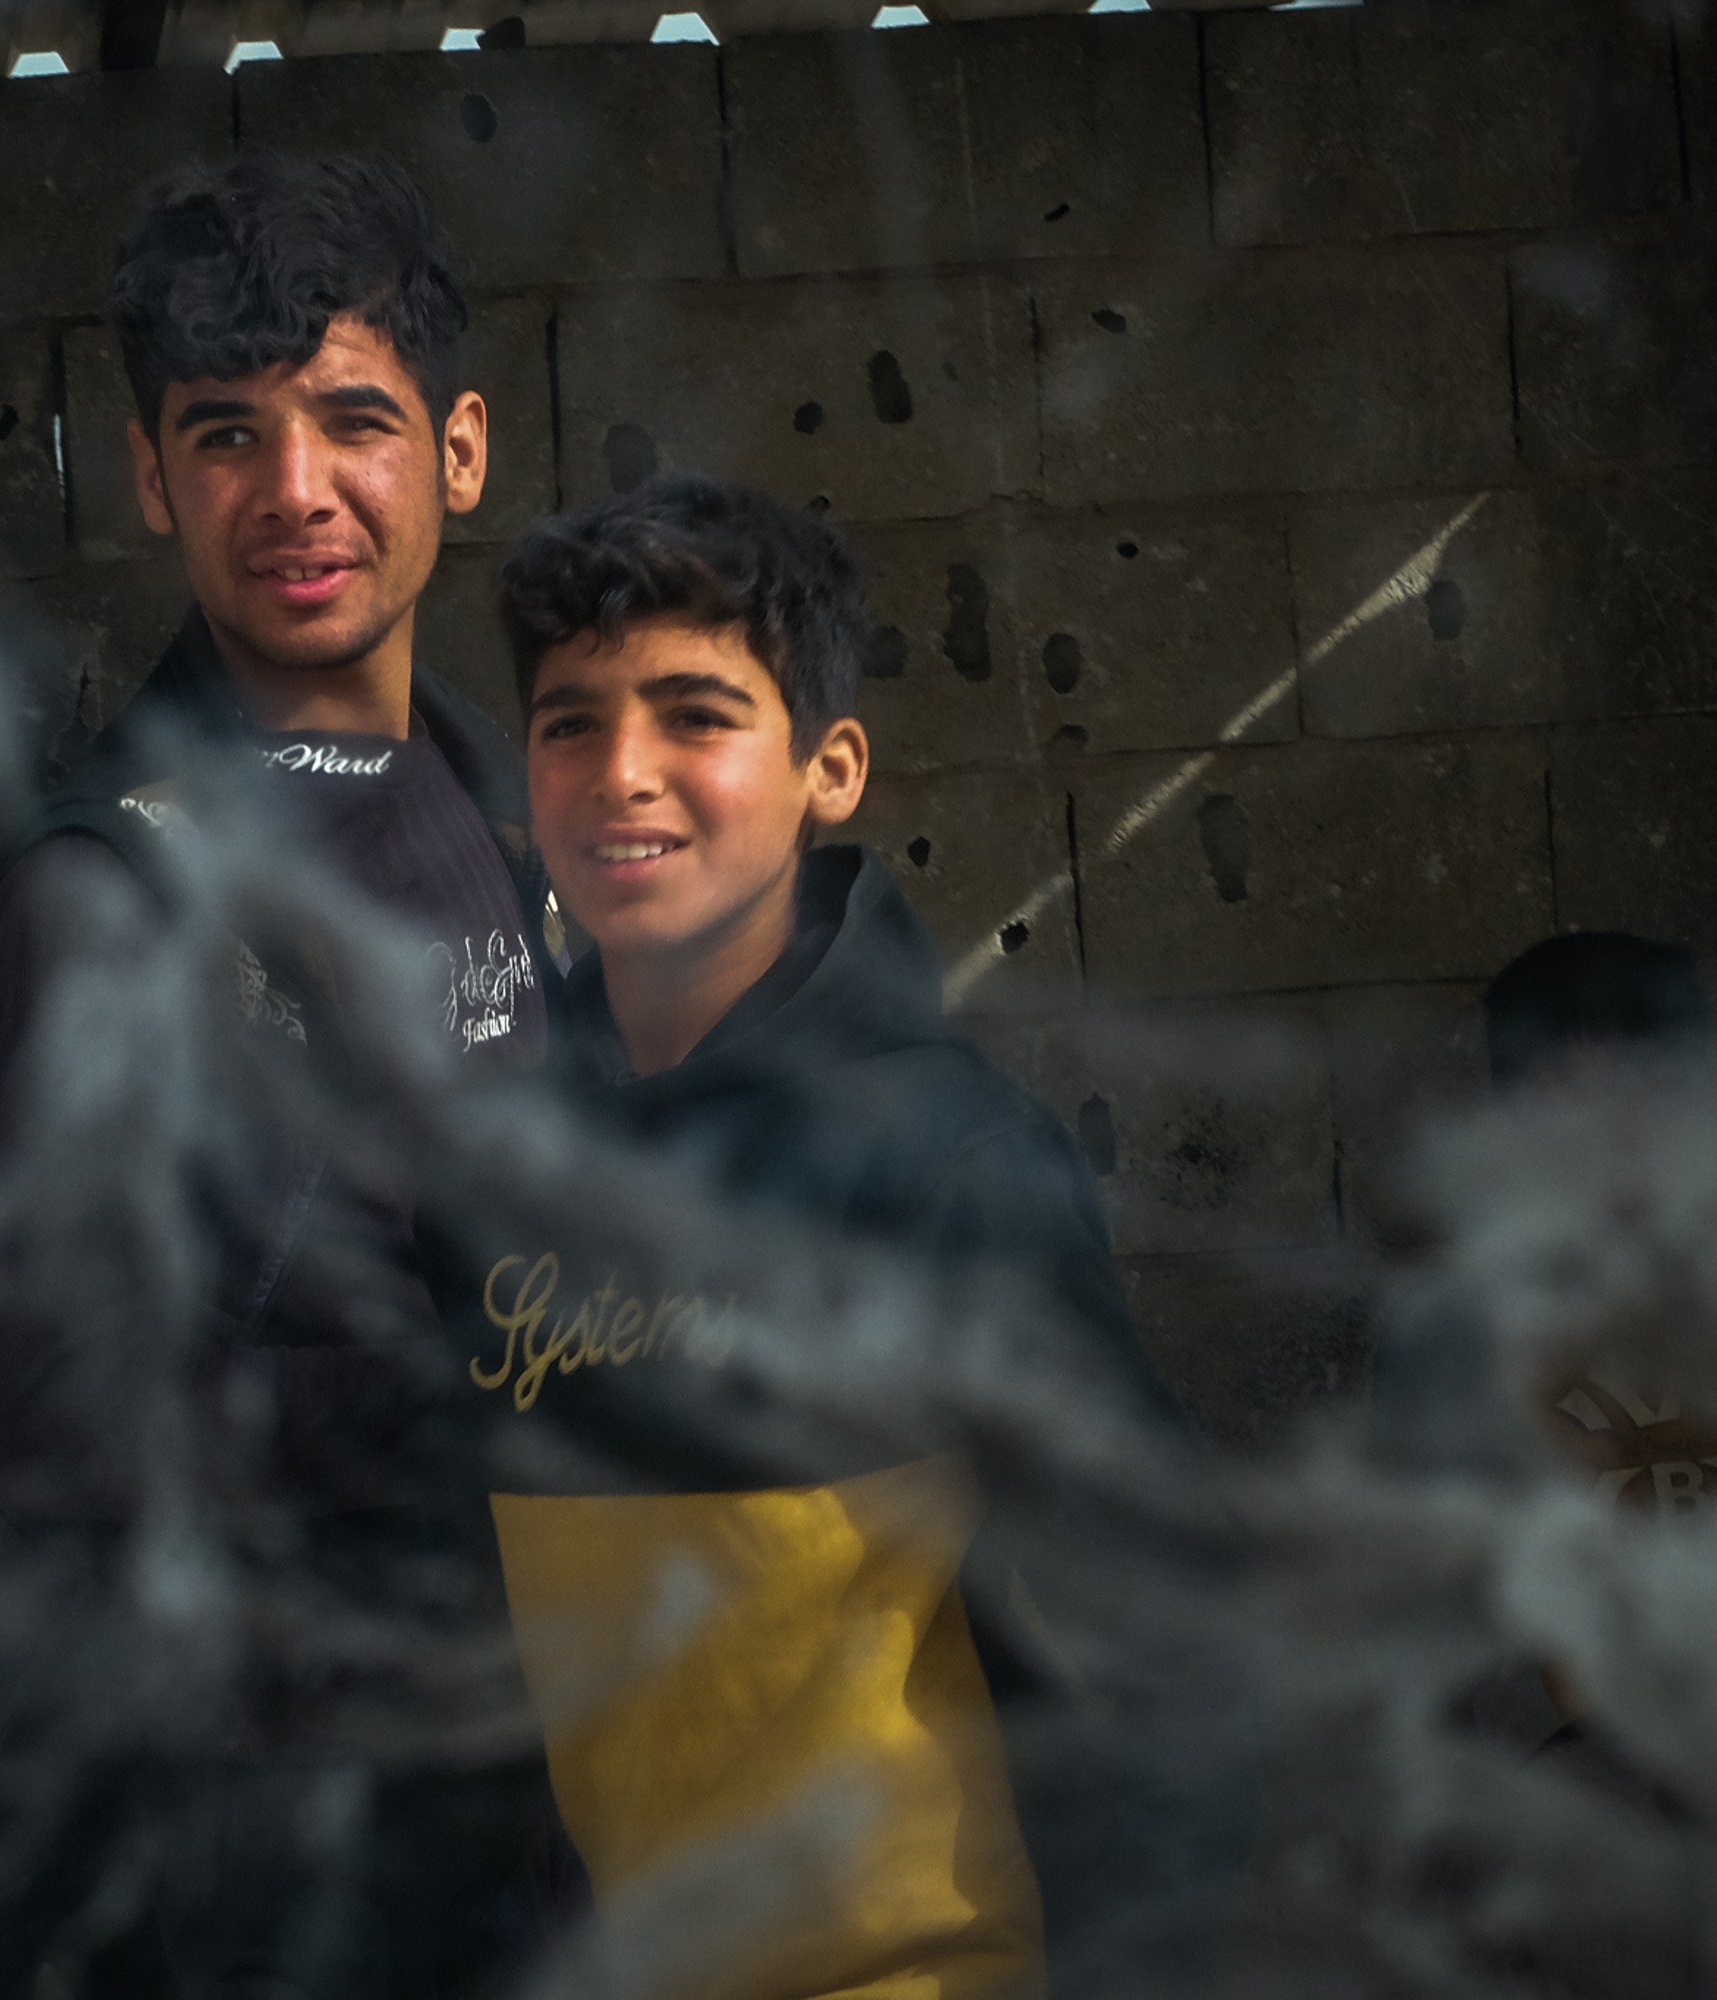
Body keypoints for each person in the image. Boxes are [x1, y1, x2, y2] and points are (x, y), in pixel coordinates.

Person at [416, 475, 1229, 1999]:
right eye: (572, 722)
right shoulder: (495, 1190)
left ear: (830, 768)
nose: (623, 774)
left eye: (699, 716)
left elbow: (1168, 1664)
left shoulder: (949, 1165)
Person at [0, 151, 563, 1999]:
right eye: (227, 436)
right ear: (152, 476)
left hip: (544, 1797)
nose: (296, 493)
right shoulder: (106, 900)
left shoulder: (531, 821)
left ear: (456, 451)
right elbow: (74, 1463)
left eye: (352, 423)